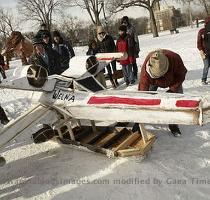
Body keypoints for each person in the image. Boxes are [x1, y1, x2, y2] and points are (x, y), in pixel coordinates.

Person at [137, 49, 187, 137]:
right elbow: (142, 92)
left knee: (175, 102)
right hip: (153, 82)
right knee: (146, 99)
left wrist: (172, 89)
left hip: (172, 80)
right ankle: (140, 122)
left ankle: (173, 124)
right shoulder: (146, 72)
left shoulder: (175, 58)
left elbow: (181, 75)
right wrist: (137, 120)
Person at [121, 16, 140, 80]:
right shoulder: (121, 29)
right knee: (127, 63)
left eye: (125, 22)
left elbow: (136, 38)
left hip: (132, 47)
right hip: (124, 49)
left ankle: (135, 74)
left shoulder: (132, 28)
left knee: (133, 62)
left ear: (127, 21)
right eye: (123, 22)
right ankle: (129, 77)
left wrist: (137, 48)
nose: (124, 23)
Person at [197, 16, 210, 85]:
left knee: (206, 65)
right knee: (206, 66)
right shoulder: (201, 31)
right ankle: (203, 79)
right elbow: (199, 42)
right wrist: (201, 50)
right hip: (205, 52)